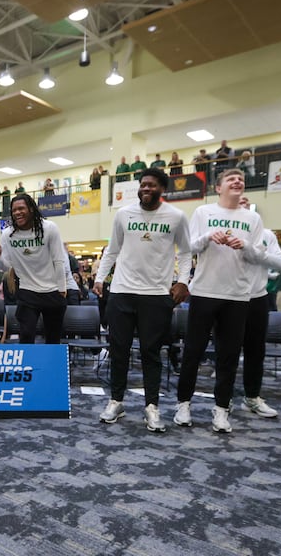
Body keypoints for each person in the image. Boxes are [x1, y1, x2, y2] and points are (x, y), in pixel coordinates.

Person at [94, 168, 191, 432]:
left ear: (162, 189)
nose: (146, 189)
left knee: (151, 353)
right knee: (119, 350)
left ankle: (152, 406)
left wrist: (183, 281)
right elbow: (112, 250)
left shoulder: (176, 217)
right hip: (122, 292)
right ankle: (116, 401)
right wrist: (100, 278)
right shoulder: (123, 214)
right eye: (143, 185)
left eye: (152, 186)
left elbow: (185, 252)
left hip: (156, 295)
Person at [173, 169, 267, 434]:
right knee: (192, 352)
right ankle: (183, 404)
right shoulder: (204, 213)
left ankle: (222, 410)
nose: (237, 182)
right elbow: (189, 246)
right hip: (204, 292)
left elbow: (259, 255)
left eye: (241, 179)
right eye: (231, 179)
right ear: (219, 187)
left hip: (237, 295)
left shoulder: (253, 217)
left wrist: (244, 245)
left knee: (228, 356)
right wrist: (208, 237)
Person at [0, 194, 66, 344]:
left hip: (52, 290)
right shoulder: (8, 235)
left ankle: (50, 367)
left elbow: (59, 259)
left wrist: (62, 287)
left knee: (53, 338)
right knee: (26, 335)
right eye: (14, 210)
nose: (17, 213)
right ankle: (28, 367)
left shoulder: (49, 228)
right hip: (27, 291)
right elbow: (7, 266)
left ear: (31, 209)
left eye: (21, 208)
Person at [237, 196, 281, 418]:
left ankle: (252, 397)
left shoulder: (266, 235)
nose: (242, 203)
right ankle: (222, 401)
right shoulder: (223, 232)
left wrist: (256, 252)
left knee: (256, 352)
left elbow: (280, 263)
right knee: (225, 352)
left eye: (246, 201)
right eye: (238, 202)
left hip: (257, 297)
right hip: (226, 298)